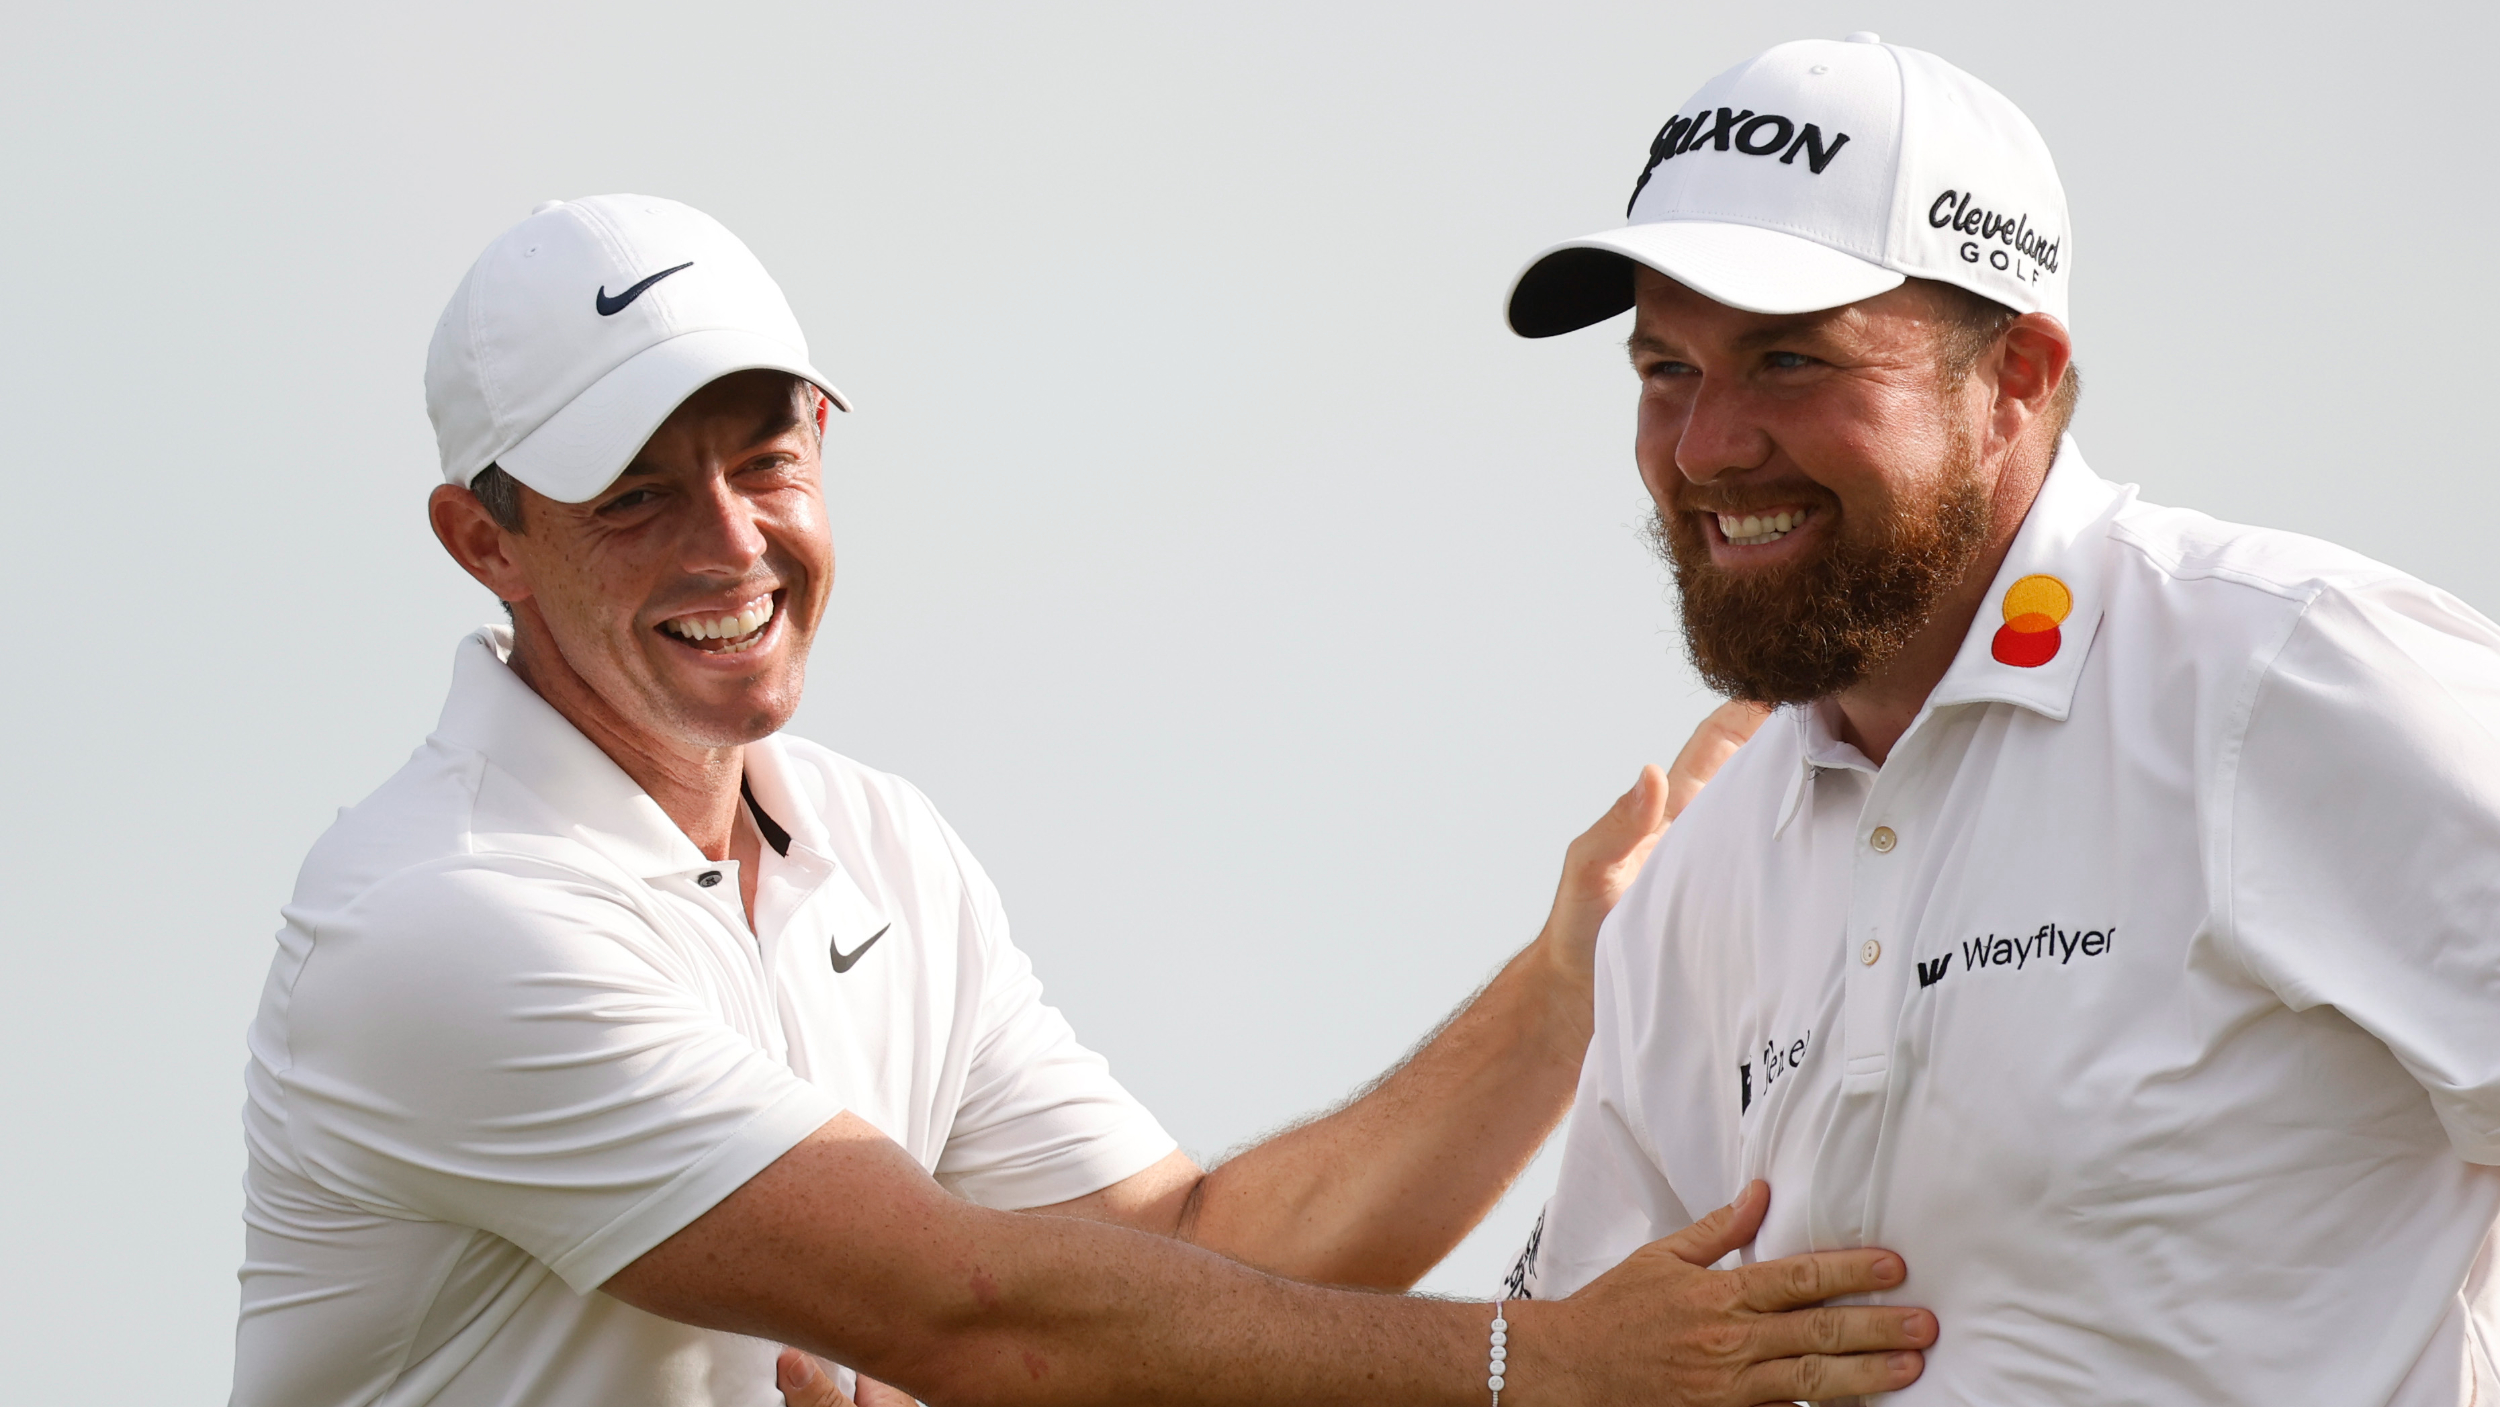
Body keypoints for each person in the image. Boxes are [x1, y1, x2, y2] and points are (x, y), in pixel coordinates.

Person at [231, 193, 1940, 1407]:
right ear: (483, 541)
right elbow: (986, 1317)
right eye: (634, 496)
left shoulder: (873, 841)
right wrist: (1537, 1373)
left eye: (766, 457)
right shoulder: (446, 918)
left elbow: (1202, 1268)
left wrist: (1574, 982)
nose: (734, 543)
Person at [1498, 30, 2500, 1405]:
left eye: (1790, 362)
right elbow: (1594, 1372)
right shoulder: (1697, 892)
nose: (1706, 446)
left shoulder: (2286, 676)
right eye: (1666, 368)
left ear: (2017, 376)